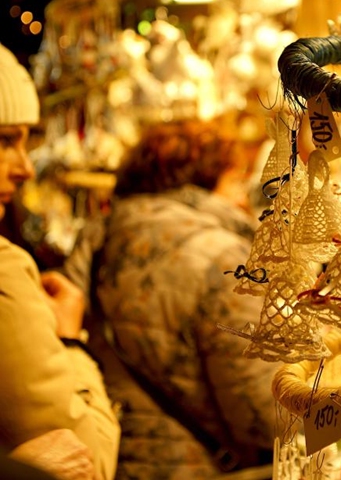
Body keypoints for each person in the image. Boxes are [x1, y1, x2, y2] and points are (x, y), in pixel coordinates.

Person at [64, 118, 279, 478]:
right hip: (202, 467)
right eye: (234, 181)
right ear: (199, 185)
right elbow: (263, 415)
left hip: (108, 457)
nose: (242, 197)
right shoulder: (225, 258)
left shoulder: (97, 241)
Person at [0, 42, 120, 478]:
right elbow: (88, 459)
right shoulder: (3, 270)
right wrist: (70, 341)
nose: (24, 167)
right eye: (3, 140)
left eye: (24, 141)